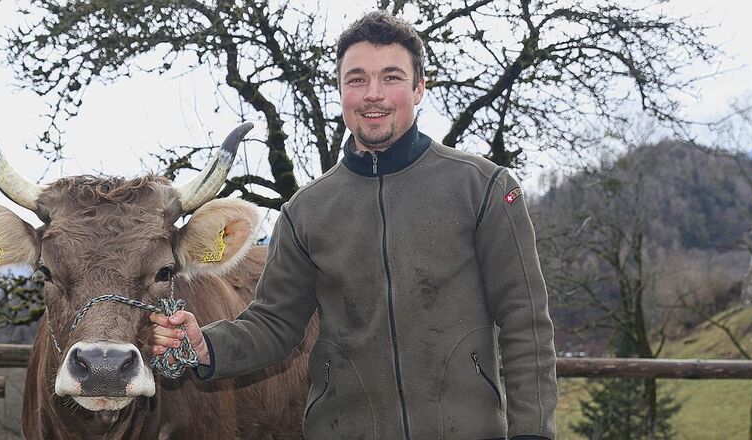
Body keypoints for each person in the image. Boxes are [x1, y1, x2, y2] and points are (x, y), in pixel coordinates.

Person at [150, 11, 557, 440]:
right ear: (341, 90)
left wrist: (532, 432)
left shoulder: (485, 188)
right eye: (357, 79)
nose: (373, 94)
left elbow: (525, 323)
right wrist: (206, 345)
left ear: (419, 87)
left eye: (391, 77)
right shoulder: (304, 212)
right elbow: (274, 326)